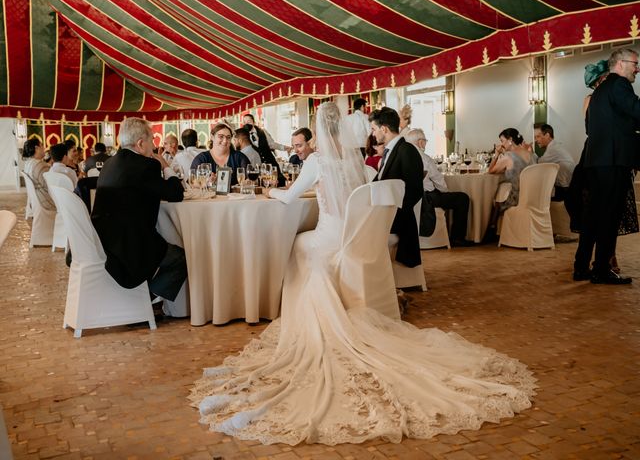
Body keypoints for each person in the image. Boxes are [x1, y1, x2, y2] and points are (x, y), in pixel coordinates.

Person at [189, 101, 535, 445]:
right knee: (306, 246)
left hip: (330, 240)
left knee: (299, 247)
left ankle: (307, 320)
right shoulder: (357, 162)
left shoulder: (316, 160)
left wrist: (270, 190)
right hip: (357, 240)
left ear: (318, 131)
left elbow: (291, 197)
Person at [91, 118, 186, 300]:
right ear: (141, 143)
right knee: (179, 258)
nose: (154, 146)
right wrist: (166, 167)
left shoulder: (109, 163)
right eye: (152, 141)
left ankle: (142, 299)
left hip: (104, 242)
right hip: (130, 249)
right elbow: (176, 193)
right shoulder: (145, 166)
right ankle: (145, 301)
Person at [573, 48, 640, 285]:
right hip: (612, 162)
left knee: (592, 216)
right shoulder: (619, 85)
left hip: (595, 162)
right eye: (635, 63)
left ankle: (581, 267)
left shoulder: (600, 91)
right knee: (609, 217)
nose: (637, 68)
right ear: (620, 64)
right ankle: (601, 270)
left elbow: (596, 129)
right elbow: (637, 111)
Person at [370, 107, 424, 268]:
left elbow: (415, 191)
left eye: (374, 129)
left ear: (383, 129)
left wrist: (389, 214)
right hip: (383, 214)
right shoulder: (389, 152)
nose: (373, 134)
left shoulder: (407, 151)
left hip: (397, 220)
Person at [406, 129, 472, 247]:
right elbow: (439, 182)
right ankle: (457, 238)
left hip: (411, 199)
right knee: (462, 198)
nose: (425, 143)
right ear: (420, 142)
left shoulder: (405, 157)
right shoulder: (425, 158)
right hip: (428, 198)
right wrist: (446, 192)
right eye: (425, 141)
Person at [488, 128, 537, 211]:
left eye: (502, 141)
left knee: (493, 200)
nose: (502, 144)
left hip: (518, 199)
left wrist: (496, 154)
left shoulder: (508, 156)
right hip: (534, 195)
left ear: (510, 140)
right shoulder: (530, 154)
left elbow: (491, 171)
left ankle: (493, 223)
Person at [533, 123, 575, 201]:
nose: (536, 140)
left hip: (565, 190)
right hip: (567, 186)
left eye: (538, 136)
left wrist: (530, 152)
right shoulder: (554, 146)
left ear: (547, 135)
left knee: (535, 194)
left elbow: (538, 163)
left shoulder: (553, 149)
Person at [241, 113, 285, 185]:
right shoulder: (244, 136)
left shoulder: (262, 131)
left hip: (270, 162)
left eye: (249, 121)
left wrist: (284, 148)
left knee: (278, 182)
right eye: (245, 122)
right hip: (257, 165)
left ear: (254, 122)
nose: (247, 124)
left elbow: (272, 144)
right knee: (262, 184)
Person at [22, 138, 55, 211]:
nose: (44, 148)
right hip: (45, 202)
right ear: (36, 148)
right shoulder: (40, 165)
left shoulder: (28, 163)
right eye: (42, 145)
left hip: (35, 201)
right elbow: (49, 186)